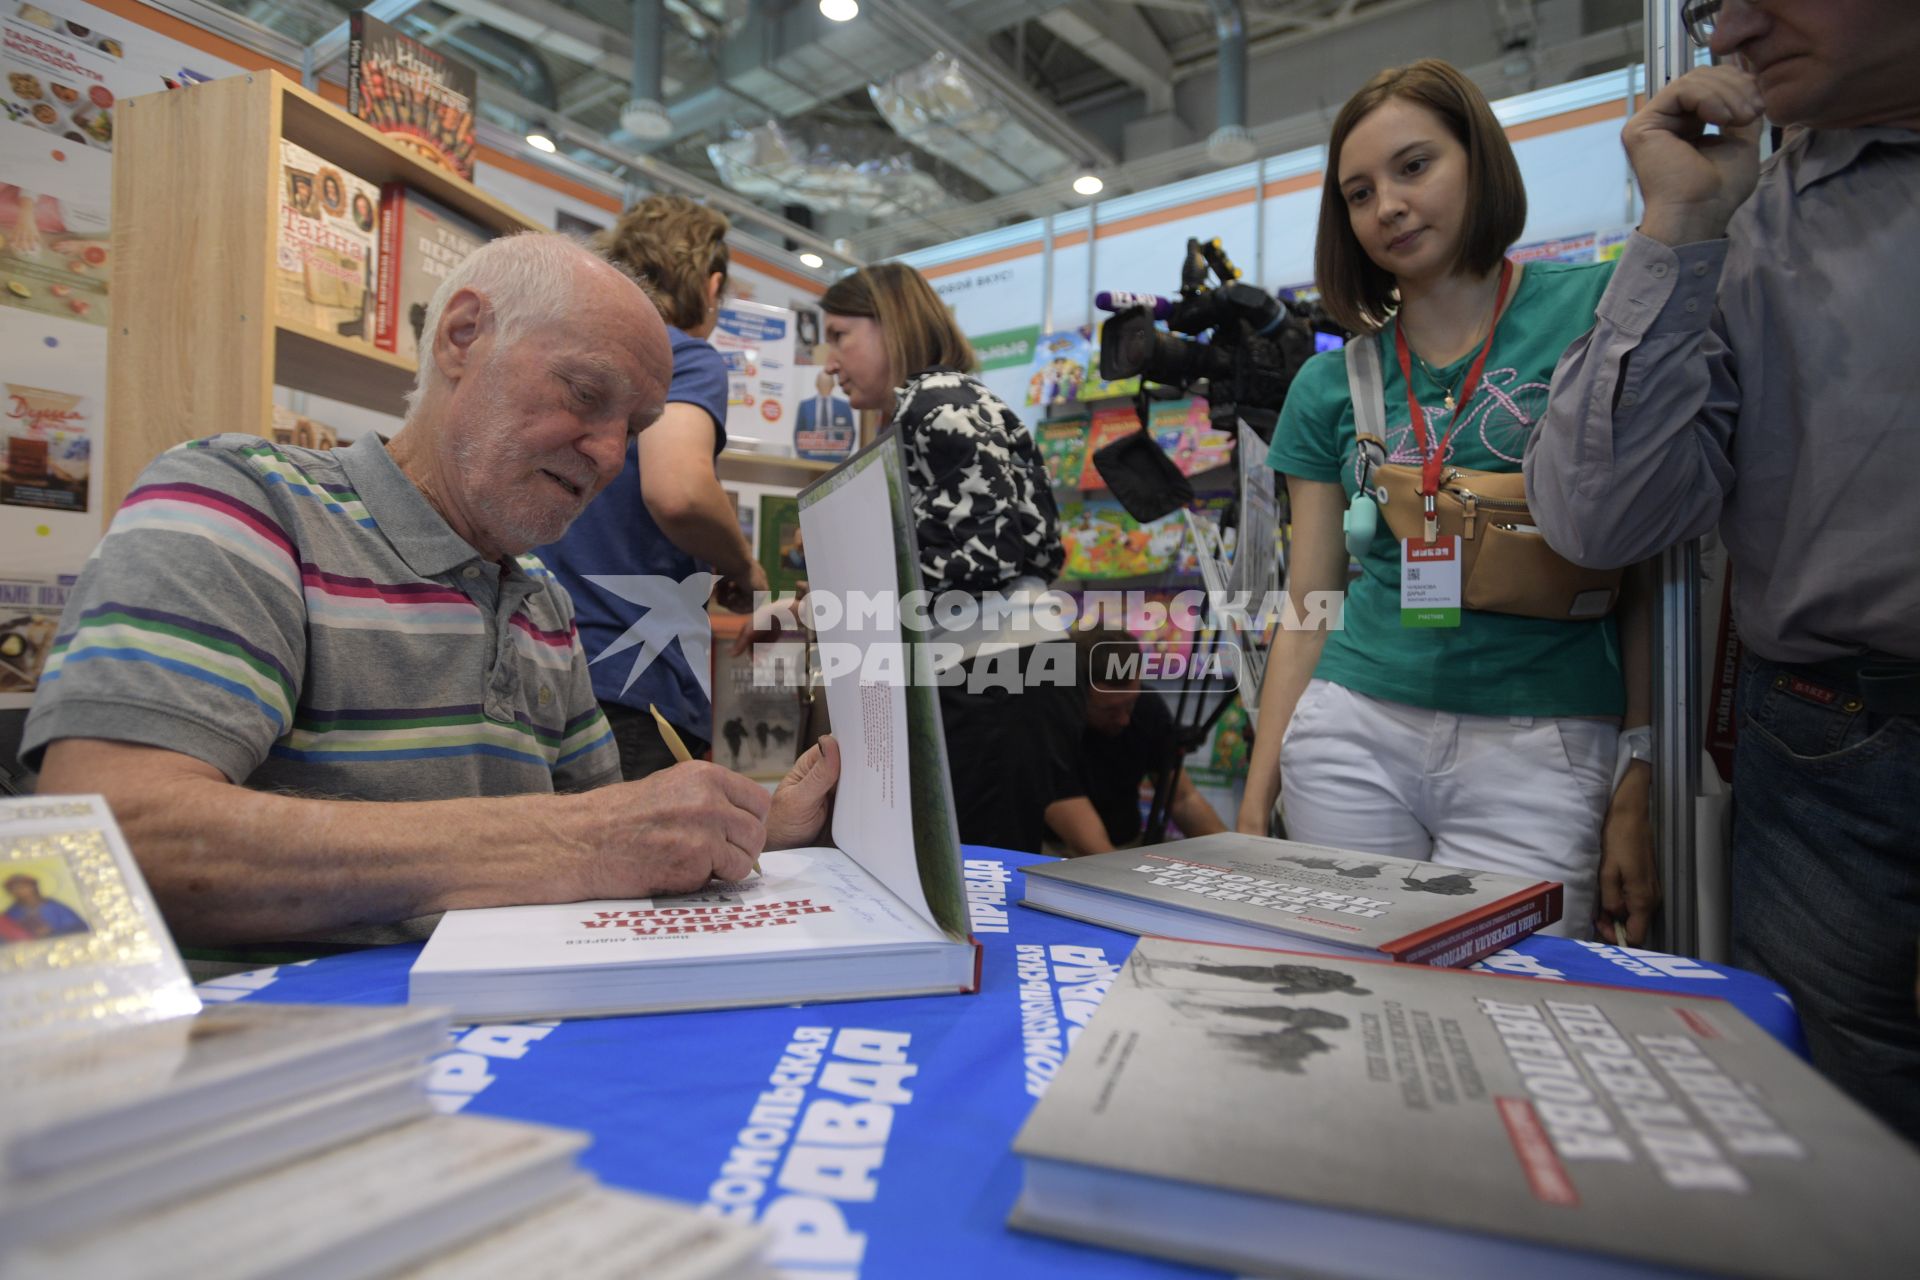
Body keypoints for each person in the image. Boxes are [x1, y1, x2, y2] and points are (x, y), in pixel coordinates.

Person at [22, 233, 838, 949]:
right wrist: (573, 842)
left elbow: (619, 837)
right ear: (462, 335)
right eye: (587, 396)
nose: (610, 454)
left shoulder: (544, 605)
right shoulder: (243, 504)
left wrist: (755, 831)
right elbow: (104, 834)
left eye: (636, 425)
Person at [1523, 0, 1920, 1141]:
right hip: (1826, 754)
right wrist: (1680, 224)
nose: (1728, 25)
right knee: (1835, 1154)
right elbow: (1603, 516)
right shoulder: (1745, 219)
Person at [1236, 59, 1659, 943]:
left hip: (1543, 742)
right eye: (1358, 192)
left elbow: (1652, 568)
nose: (1386, 205)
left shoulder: (1598, 313)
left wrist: (1639, 766)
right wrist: (1256, 791)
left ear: (1480, 161)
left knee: (1517, 1007)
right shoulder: (1330, 382)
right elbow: (1310, 602)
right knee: (1347, 989)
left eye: (1414, 166)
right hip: (1353, 729)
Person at [819, 263, 1071, 854]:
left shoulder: (936, 400)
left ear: (892, 325)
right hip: (987, 665)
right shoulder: (935, 404)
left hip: (985, 666)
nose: (828, 363)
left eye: (839, 336)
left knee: (975, 870)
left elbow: (993, 543)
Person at [537, 195, 765, 780]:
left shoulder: (573, 357)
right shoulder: (684, 357)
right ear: (711, 287)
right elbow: (679, 490)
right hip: (631, 679)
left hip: (539, 662)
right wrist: (743, 568)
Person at [1044, 624, 1226, 856]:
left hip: (1129, 844)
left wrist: (1231, 857)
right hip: (1060, 853)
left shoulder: (1148, 709)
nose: (1123, 720)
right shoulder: (1052, 727)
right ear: (1075, 697)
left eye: (1130, 704)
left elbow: (1182, 798)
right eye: (1109, 710)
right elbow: (1088, 843)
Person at [3, 873, 89, 938]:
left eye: (23, 887)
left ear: (33, 887)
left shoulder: (55, 907)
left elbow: (80, 928)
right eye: (13, 889)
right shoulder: (11, 913)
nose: (19, 891)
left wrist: (52, 932)